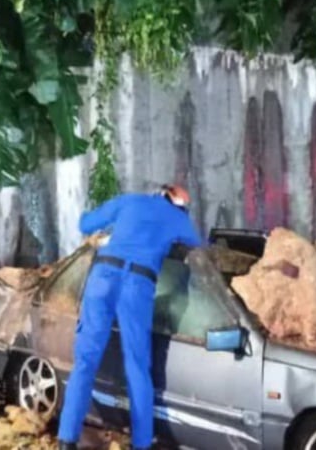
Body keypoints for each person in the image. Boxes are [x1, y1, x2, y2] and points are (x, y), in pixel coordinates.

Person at [58, 185, 205, 450]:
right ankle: (141, 443)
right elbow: (203, 250)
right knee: (137, 368)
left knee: (85, 362)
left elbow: (85, 223)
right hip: (137, 285)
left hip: (102, 277)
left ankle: (67, 439)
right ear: (181, 206)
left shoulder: (130, 201)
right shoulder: (179, 220)